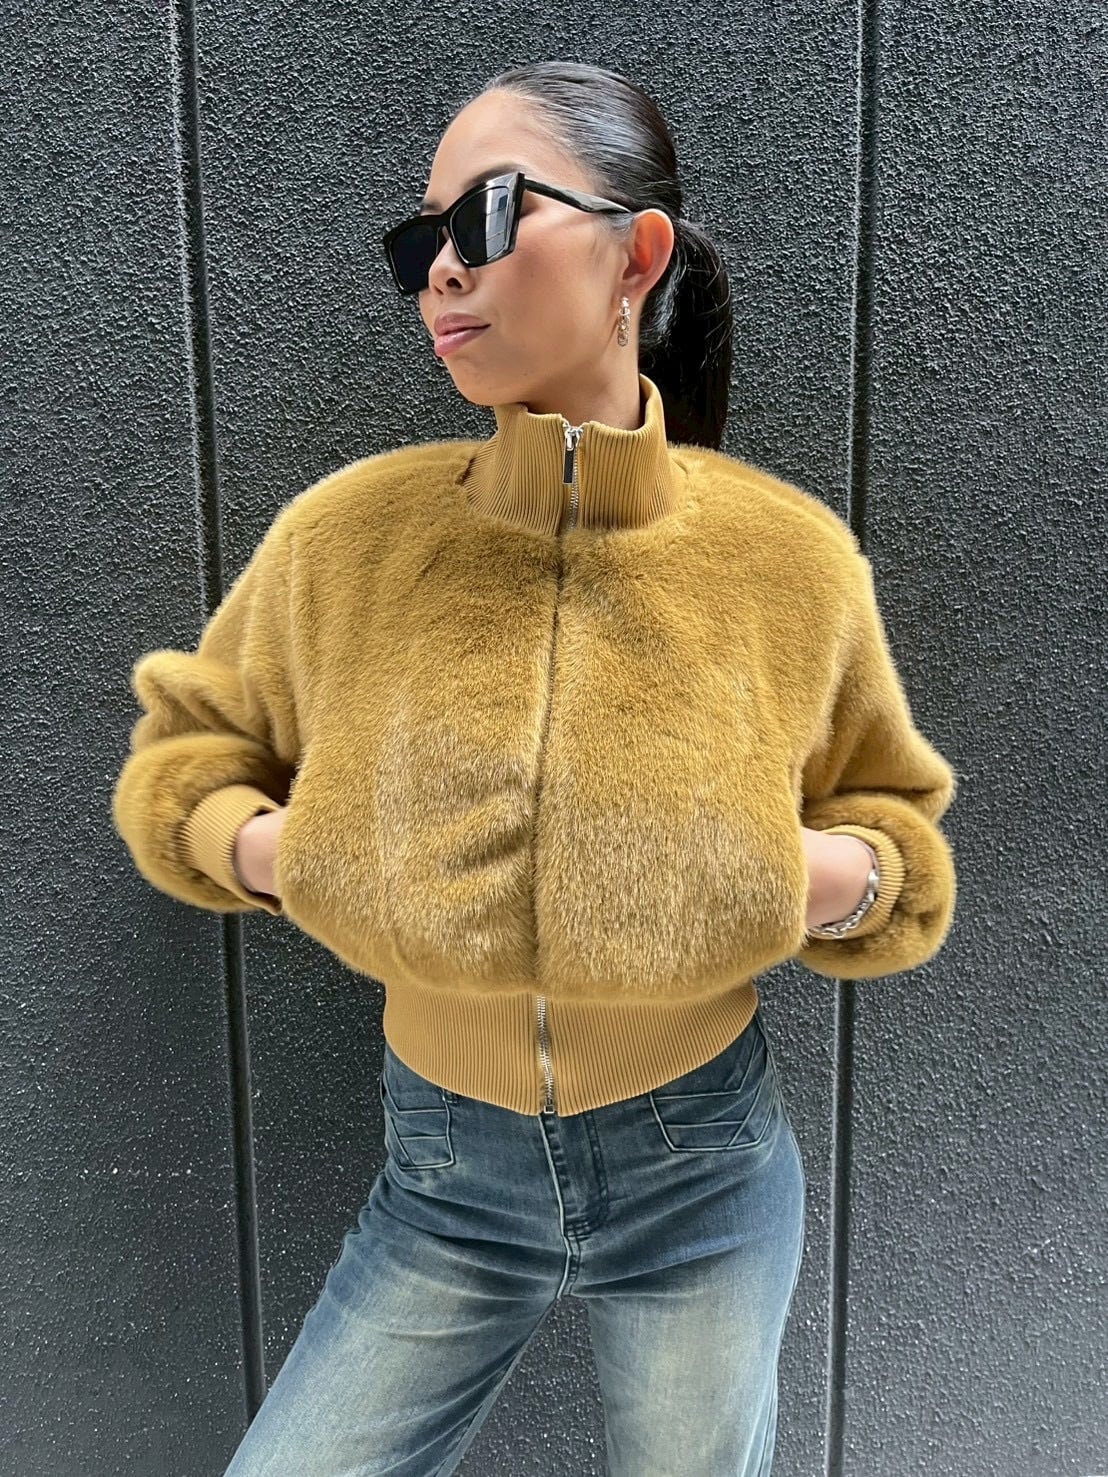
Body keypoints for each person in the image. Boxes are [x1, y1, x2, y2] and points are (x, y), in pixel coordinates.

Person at [111, 59, 958, 1477]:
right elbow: (188, 758)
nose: (442, 271)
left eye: (487, 215)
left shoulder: (788, 561)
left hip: (701, 1168)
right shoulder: (348, 539)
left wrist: (794, 876)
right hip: (446, 1175)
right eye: (419, 243)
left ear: (637, 254)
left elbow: (896, 834)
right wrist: (288, 853)